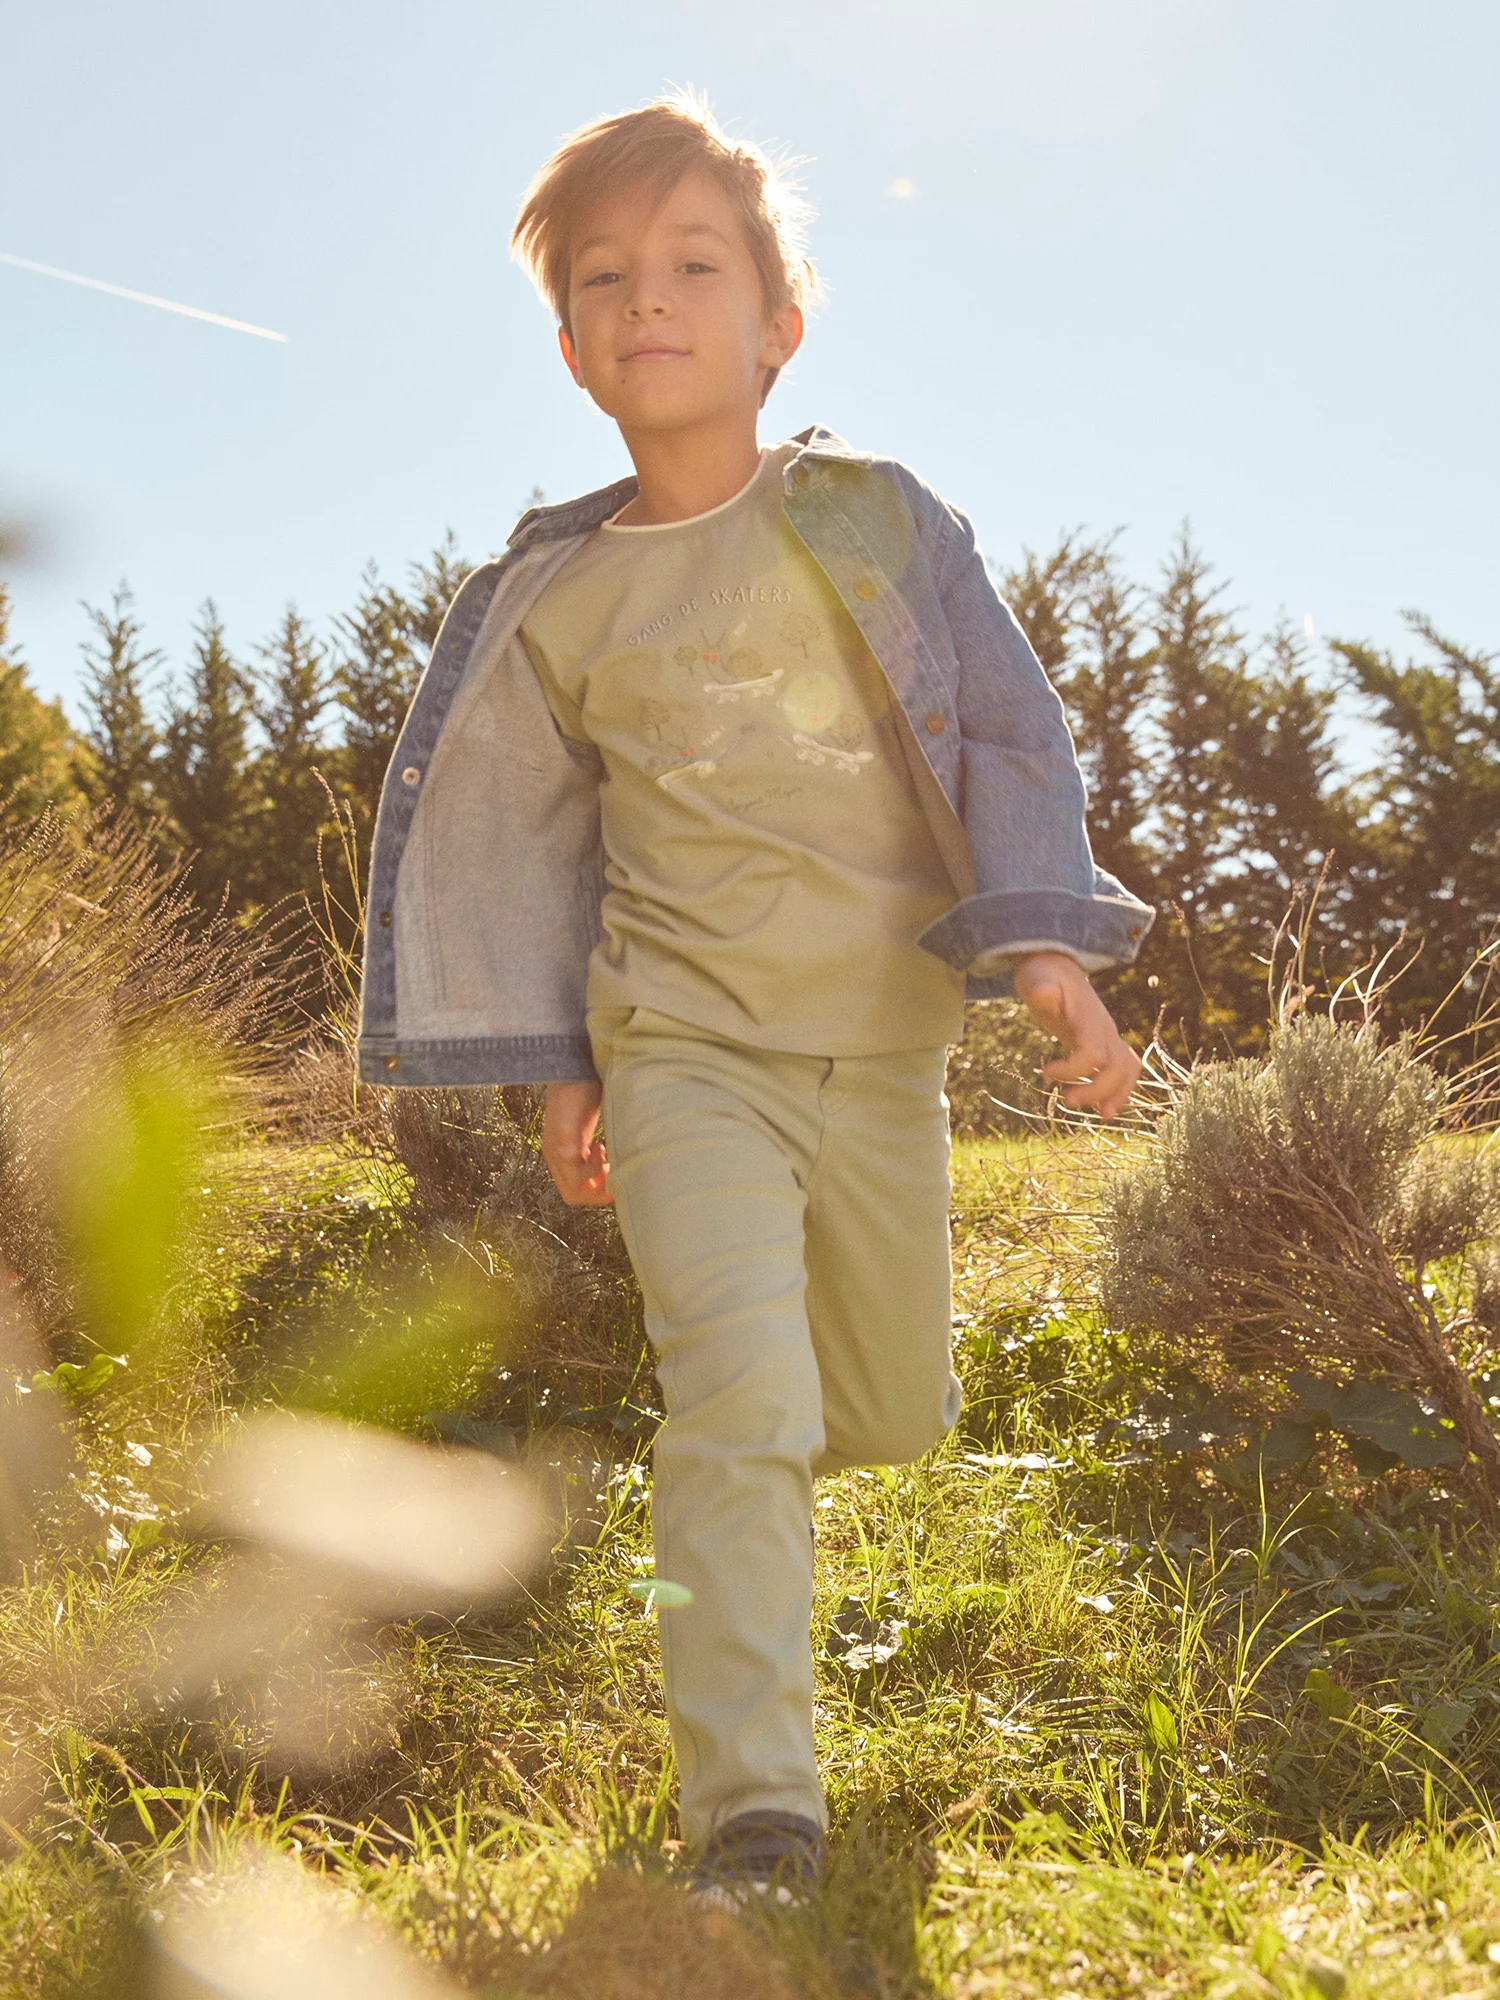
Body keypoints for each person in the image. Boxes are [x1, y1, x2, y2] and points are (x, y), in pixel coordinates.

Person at [357, 93, 1152, 1906]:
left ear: (779, 323)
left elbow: (1006, 737)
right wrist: (563, 1060)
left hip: (880, 1047)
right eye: (605, 278)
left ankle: (763, 1493)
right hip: (682, 1046)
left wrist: (1046, 951)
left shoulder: (874, 519)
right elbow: (546, 845)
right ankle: (755, 1814)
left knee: (884, 1410)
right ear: (572, 349)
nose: (650, 298)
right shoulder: (557, 599)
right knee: (735, 1400)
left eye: (694, 265)